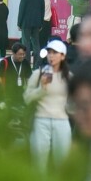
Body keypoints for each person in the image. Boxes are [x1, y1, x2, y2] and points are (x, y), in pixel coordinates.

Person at [24, 38, 72, 166]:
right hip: (41, 120)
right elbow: (27, 98)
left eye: (55, 53)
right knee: (39, 161)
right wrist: (41, 89)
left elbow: (74, 102)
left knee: (62, 161)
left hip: (62, 120)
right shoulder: (38, 74)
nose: (51, 56)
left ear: (62, 56)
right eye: (49, 52)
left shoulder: (68, 77)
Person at [17, 0, 45, 64]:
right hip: (37, 23)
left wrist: (19, 23)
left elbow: (22, 10)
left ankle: (26, 63)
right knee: (36, 44)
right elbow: (42, 10)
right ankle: (37, 64)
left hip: (26, 23)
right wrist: (41, 23)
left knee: (26, 43)